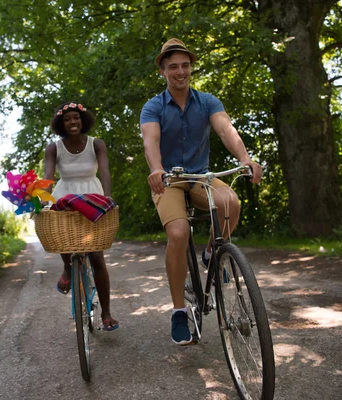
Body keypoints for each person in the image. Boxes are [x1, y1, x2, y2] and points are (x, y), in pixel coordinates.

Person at [140, 38, 262, 345]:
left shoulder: (207, 101)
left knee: (230, 202)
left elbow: (225, 130)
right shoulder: (153, 107)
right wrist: (156, 168)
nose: (180, 72)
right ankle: (179, 310)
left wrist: (244, 159)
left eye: (185, 65)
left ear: (191, 68)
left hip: (198, 177)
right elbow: (150, 142)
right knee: (178, 234)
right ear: (163, 72)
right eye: (173, 67)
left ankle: (211, 252)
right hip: (166, 180)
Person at [43, 101, 119, 331]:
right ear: (61, 124)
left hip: (92, 196)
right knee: (63, 239)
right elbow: (47, 176)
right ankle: (68, 268)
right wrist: (42, 203)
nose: (72, 122)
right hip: (65, 195)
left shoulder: (96, 144)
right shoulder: (54, 148)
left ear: (82, 120)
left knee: (97, 256)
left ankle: (106, 313)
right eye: (67, 119)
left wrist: (107, 198)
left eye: (76, 117)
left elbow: (104, 170)